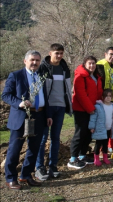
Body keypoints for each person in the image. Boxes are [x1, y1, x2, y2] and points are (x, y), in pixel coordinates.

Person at [2, 50, 46, 189]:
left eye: (37, 60)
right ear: (25, 61)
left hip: (38, 116)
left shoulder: (41, 76)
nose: (35, 62)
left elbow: (45, 97)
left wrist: (48, 115)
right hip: (21, 117)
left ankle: (26, 175)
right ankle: (10, 178)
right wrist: (19, 103)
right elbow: (6, 95)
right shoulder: (16, 75)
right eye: (32, 60)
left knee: (34, 148)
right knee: (15, 150)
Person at [35, 43, 73, 181]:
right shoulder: (43, 68)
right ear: (50, 53)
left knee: (56, 138)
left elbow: (67, 88)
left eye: (61, 53)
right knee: (42, 138)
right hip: (46, 107)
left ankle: (53, 166)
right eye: (56, 53)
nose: (59, 55)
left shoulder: (64, 68)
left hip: (61, 107)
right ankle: (39, 167)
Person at [69, 56, 103, 169]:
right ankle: (73, 158)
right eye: (89, 63)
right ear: (84, 64)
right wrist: (90, 108)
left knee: (88, 133)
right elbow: (81, 95)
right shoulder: (80, 76)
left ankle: (82, 155)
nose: (92, 66)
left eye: (94, 63)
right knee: (80, 133)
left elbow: (98, 93)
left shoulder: (95, 76)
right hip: (81, 110)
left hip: (93, 109)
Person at [89, 89, 113, 166]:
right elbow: (93, 117)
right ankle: (96, 158)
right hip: (100, 129)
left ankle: (105, 157)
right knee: (98, 144)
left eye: (110, 96)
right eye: (106, 96)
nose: (108, 98)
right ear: (102, 97)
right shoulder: (98, 107)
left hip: (109, 129)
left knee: (105, 144)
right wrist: (92, 127)